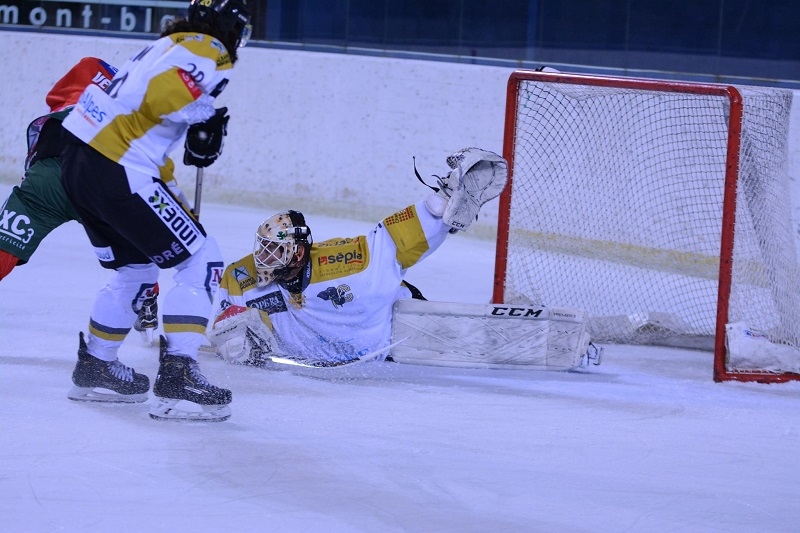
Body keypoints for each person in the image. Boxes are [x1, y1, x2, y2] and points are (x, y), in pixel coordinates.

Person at [59, 0, 253, 422]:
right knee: (203, 258)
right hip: (117, 167)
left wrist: (177, 201)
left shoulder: (166, 44)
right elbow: (163, 95)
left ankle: (96, 367)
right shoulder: (210, 48)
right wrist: (204, 113)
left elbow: (148, 136)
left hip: (79, 162)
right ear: (230, 27)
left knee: (136, 268)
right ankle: (179, 377)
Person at [207, 148, 508, 367]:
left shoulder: (343, 263)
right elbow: (221, 326)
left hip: (395, 337)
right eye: (263, 247)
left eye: (274, 249)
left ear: (298, 252)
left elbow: (390, 242)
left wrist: (439, 206)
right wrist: (232, 338)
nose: (263, 257)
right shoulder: (241, 277)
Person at [0, 57, 169, 342]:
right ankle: (146, 297)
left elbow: (54, 101)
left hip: (50, 176)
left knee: (5, 243)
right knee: (138, 254)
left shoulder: (92, 67)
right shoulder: (145, 98)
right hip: (103, 183)